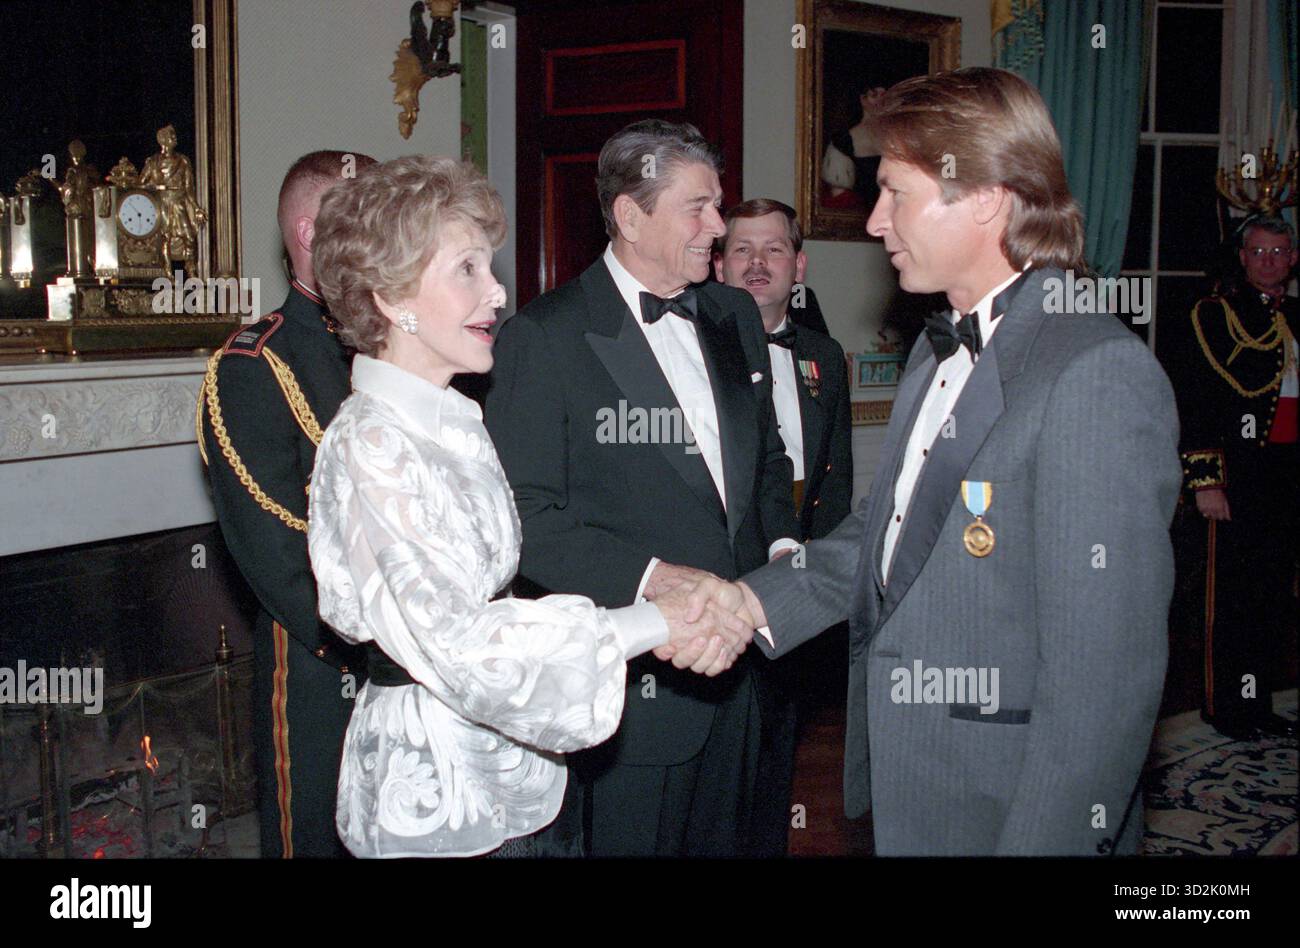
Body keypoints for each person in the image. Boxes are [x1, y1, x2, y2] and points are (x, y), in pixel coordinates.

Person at [683, 67, 1183, 856]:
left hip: (1010, 808)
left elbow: (1103, 688)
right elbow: (887, 539)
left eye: (896, 194)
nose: (876, 221)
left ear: (983, 197)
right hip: (918, 790)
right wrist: (748, 603)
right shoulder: (937, 343)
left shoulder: (1094, 372)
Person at [306, 155, 752, 858]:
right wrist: (650, 621)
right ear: (392, 299)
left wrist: (651, 622)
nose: (498, 292)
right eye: (468, 270)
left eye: (490, 267)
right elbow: (463, 646)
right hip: (438, 794)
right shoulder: (371, 445)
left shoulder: (453, 421)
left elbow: (501, 600)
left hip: (521, 777)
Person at [484, 120, 800, 857]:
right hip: (637, 700)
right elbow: (524, 517)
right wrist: (655, 580)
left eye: (717, 205)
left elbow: (768, 460)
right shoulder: (546, 337)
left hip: (749, 671)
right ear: (630, 217)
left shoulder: (730, 315)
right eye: (699, 208)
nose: (718, 228)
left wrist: (783, 554)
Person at [198, 149, 376, 858]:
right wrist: (374, 646)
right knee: (316, 835)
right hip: (321, 655)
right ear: (308, 234)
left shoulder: (397, 343)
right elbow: (274, 546)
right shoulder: (253, 363)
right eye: (364, 219)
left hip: (420, 644)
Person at [713, 197, 853, 855]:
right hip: (716, 580)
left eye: (773, 249)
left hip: (794, 582)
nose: (757, 263)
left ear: (798, 265)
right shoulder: (694, 350)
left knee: (778, 747)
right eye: (742, 248)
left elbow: (837, 480)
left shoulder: (825, 355)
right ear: (719, 264)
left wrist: (819, 580)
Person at [1170, 215, 1299, 741]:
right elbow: (1197, 402)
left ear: (1293, 260)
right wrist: (1206, 482)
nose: (1269, 261)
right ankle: (1227, 707)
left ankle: (1259, 703)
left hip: (1288, 474)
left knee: (1273, 598)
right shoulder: (1216, 315)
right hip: (1238, 477)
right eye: (1260, 252)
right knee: (1232, 600)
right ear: (1243, 258)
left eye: (1280, 252)